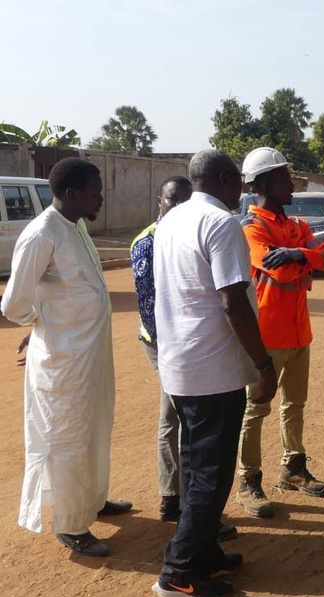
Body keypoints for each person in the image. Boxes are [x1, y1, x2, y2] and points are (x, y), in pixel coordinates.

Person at [151, 149, 277, 597]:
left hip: (182, 365)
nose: (244, 188)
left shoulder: (172, 220)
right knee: (210, 475)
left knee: (197, 464)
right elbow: (233, 301)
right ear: (225, 179)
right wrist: (263, 364)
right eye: (240, 180)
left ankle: (202, 550)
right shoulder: (222, 223)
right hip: (213, 370)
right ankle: (179, 573)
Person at [1, 157, 131, 557]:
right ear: (72, 194)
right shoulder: (42, 233)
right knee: (70, 439)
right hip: (63, 363)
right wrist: (43, 327)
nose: (101, 199)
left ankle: (93, 499)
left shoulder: (75, 227)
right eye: (95, 193)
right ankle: (72, 525)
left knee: (95, 428)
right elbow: (14, 303)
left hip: (90, 357)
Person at [234, 147, 324, 518]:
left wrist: (296, 254)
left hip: (298, 333)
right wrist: (302, 259)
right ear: (263, 183)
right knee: (256, 409)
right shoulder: (252, 227)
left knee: (295, 405)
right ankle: (249, 480)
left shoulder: (295, 227)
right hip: (267, 336)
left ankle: (292, 468)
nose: (292, 184)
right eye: (283, 178)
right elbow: (276, 271)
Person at [131, 176, 193, 521]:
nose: (178, 208)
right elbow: (148, 305)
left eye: (185, 202)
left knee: (175, 416)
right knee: (177, 416)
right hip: (164, 344)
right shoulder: (148, 242)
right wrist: (174, 351)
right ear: (159, 201)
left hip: (186, 342)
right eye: (172, 201)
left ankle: (175, 496)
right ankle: (176, 498)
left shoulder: (187, 236)